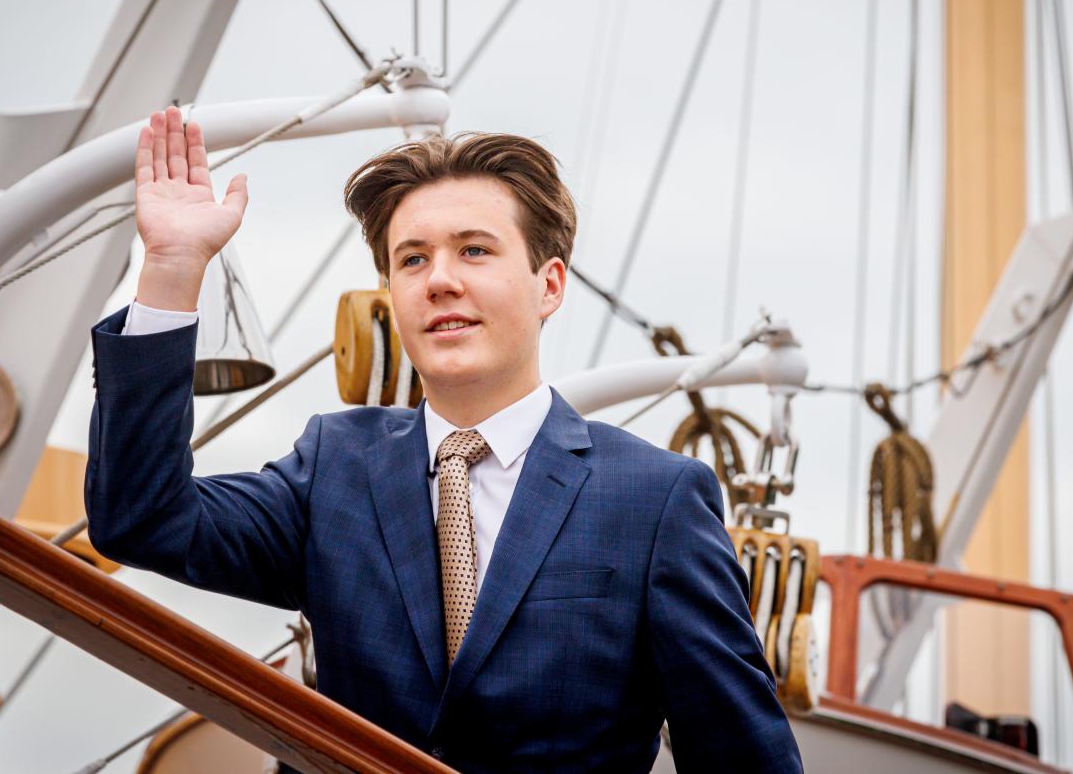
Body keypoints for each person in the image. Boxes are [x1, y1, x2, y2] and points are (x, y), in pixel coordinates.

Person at [85, 107, 803, 772]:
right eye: (414, 259)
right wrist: (172, 271)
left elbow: (742, 757)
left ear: (549, 284)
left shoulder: (654, 500)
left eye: (476, 251)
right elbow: (143, 519)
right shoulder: (334, 467)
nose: (441, 280)